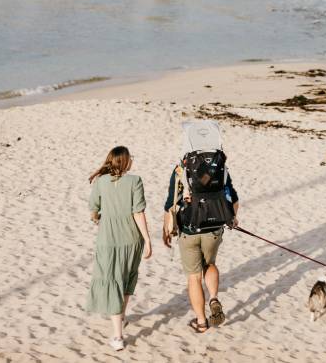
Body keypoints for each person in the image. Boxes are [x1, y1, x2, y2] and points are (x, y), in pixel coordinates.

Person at [162, 148, 240, 333]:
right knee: (210, 264)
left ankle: (202, 321)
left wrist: (166, 229)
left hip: (189, 230)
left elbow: (170, 204)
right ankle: (213, 297)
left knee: (194, 277)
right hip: (213, 228)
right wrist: (233, 218)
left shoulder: (181, 169)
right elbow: (234, 199)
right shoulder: (220, 167)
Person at [86, 146, 153, 352]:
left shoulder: (100, 182)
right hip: (132, 240)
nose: (132, 160)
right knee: (125, 279)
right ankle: (119, 324)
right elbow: (138, 213)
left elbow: (93, 210)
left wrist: (99, 220)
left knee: (114, 281)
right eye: (130, 157)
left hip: (108, 241)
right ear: (124, 161)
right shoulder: (135, 181)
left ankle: (117, 335)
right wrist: (147, 239)